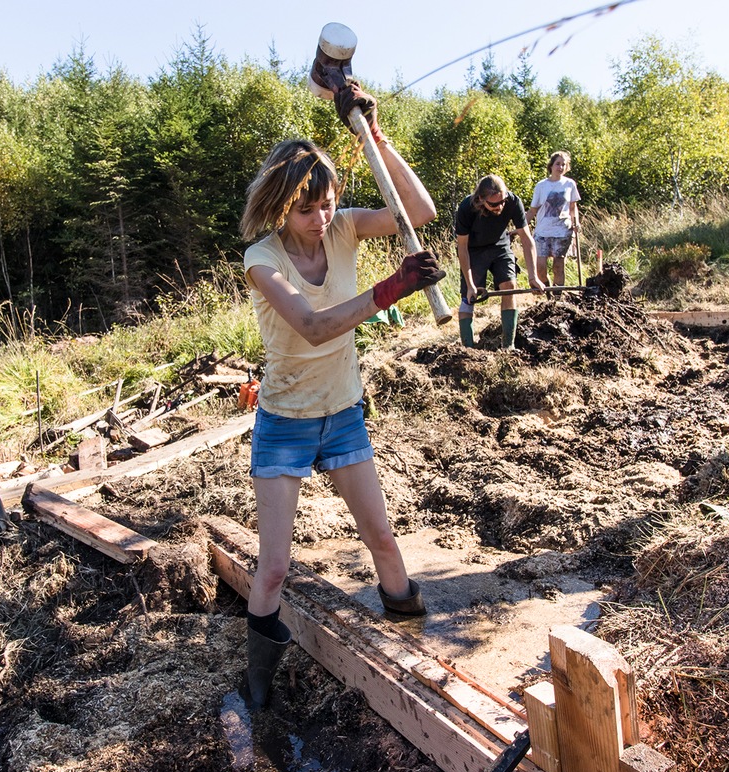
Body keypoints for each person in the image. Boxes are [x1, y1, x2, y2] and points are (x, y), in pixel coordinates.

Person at [238, 82, 444, 708]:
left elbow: (421, 210)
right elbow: (315, 326)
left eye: (328, 204)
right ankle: (258, 686)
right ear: (280, 207)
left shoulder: (347, 229)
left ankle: (417, 650)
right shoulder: (261, 258)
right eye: (308, 209)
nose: (322, 219)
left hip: (344, 415)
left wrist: (373, 133)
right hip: (286, 421)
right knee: (273, 568)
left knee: (382, 539)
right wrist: (392, 289)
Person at [454, 175, 539, 350]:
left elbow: (526, 238)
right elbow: (462, 248)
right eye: (493, 204)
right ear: (480, 200)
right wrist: (470, 285)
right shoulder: (466, 207)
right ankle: (468, 350)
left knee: (509, 286)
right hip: (473, 251)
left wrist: (533, 276)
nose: (500, 206)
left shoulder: (513, 201)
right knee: (468, 298)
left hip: (500, 246)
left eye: (502, 201)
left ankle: (508, 346)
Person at [527, 151, 582, 287]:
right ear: (551, 165)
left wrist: (576, 222)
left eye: (564, 164)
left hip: (562, 230)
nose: (561, 167)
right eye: (558, 164)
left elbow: (573, 206)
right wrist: (520, 227)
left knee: (558, 267)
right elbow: (533, 209)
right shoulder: (541, 186)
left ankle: (557, 300)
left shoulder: (570, 184)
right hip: (543, 231)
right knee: (540, 269)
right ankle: (548, 294)